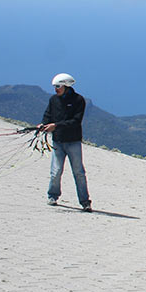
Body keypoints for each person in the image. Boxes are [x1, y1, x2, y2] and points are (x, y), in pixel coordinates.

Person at [39, 73, 91, 212]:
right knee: (55, 171)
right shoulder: (53, 100)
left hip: (73, 142)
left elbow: (75, 121)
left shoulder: (79, 100)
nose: (56, 89)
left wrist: (55, 126)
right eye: (55, 86)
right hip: (58, 141)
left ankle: (85, 202)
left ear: (66, 86)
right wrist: (43, 125)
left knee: (78, 172)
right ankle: (52, 196)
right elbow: (48, 115)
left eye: (58, 86)